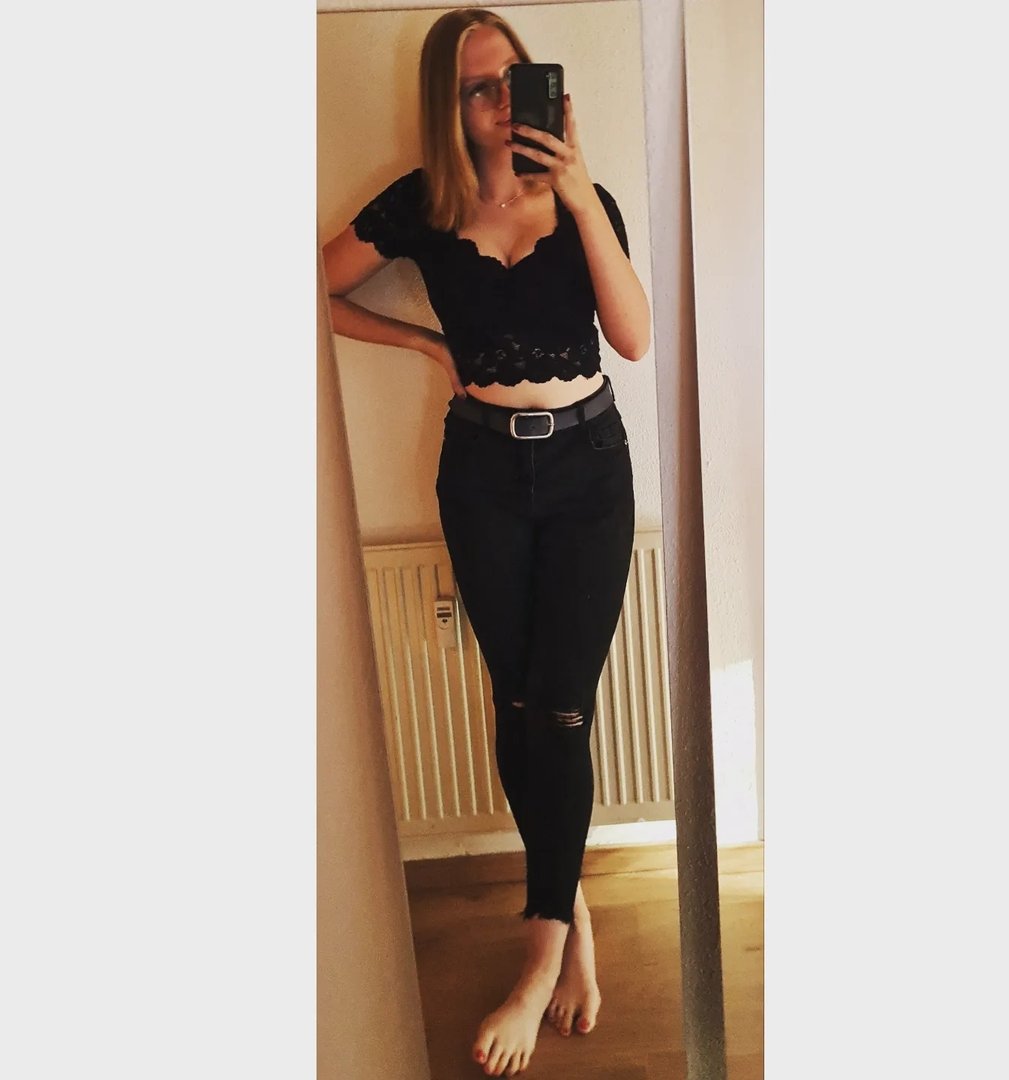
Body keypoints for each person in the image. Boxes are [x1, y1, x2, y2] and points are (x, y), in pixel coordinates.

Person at [321, 8, 650, 1078]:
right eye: (478, 87)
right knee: (515, 704)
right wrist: (425, 345)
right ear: (449, 105)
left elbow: (635, 337)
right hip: (482, 477)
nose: (504, 101)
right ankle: (572, 918)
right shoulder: (421, 205)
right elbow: (317, 283)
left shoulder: (583, 198)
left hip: (589, 471)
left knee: (562, 707)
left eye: (515, 77)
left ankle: (538, 957)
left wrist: (581, 188)